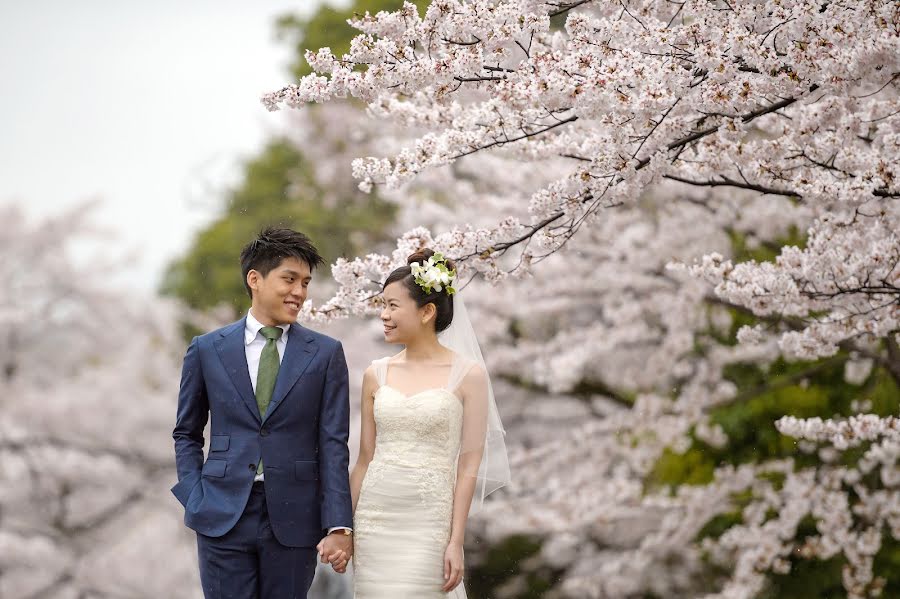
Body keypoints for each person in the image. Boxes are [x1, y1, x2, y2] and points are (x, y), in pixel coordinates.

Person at [171, 227, 353, 598]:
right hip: (221, 514)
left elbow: (334, 444)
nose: (299, 292)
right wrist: (195, 495)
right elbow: (186, 433)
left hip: (295, 518)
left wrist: (338, 524)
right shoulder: (206, 349)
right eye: (289, 279)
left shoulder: (325, 353)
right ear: (255, 279)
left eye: (305, 282)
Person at [350, 249, 510, 598]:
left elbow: (468, 467)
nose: (383, 315)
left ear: (426, 311)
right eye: (382, 305)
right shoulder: (374, 374)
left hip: (428, 523)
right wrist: (343, 529)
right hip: (375, 521)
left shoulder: (469, 375)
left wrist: (456, 540)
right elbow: (364, 459)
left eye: (393, 305)